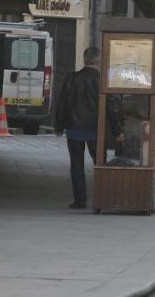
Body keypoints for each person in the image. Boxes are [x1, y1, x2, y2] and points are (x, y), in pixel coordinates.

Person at [55, 46, 118, 209]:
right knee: (100, 164)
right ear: (99, 61)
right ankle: (101, 199)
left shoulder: (71, 78)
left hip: (74, 129)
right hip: (97, 130)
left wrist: (59, 126)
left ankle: (80, 200)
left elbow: (63, 103)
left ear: (84, 59)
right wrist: (118, 131)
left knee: (76, 165)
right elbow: (111, 107)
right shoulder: (102, 81)